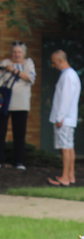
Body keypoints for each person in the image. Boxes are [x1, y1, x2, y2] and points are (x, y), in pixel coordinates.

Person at [0, 41, 36, 170]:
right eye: (14, 52)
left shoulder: (29, 64)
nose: (17, 54)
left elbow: (30, 78)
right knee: (1, 132)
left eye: (19, 52)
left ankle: (19, 162)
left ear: (23, 53)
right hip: (4, 103)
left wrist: (14, 70)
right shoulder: (4, 63)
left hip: (21, 104)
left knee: (19, 134)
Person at [48, 50, 81, 186]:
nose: (53, 65)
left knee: (65, 148)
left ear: (61, 60)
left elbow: (65, 98)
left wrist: (59, 117)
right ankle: (70, 175)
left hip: (64, 119)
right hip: (69, 118)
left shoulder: (67, 76)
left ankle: (65, 178)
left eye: (54, 62)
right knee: (69, 147)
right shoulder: (72, 75)